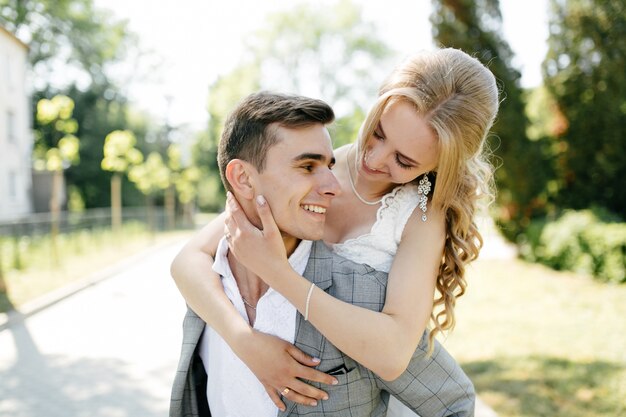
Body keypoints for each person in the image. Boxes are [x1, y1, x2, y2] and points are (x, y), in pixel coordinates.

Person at [171, 48, 499, 415]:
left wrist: (277, 273)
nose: (373, 160)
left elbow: (393, 355)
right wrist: (245, 342)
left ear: (439, 166)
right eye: (377, 133)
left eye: (403, 161)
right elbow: (189, 260)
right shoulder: (315, 168)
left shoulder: (422, 216)